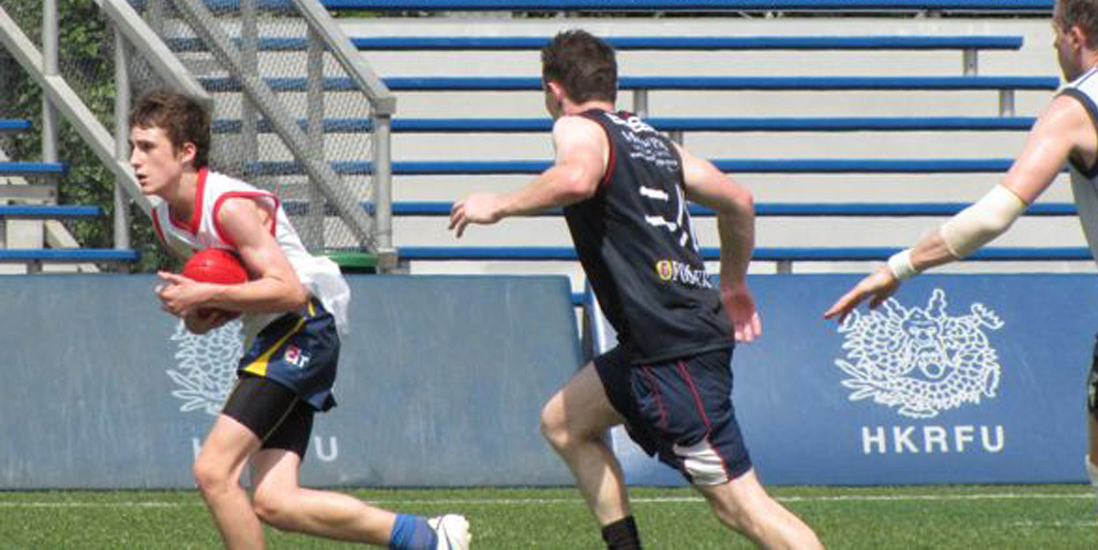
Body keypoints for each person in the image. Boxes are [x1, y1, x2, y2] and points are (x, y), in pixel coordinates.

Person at [825, 0, 1098, 550]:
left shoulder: (1075, 107)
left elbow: (992, 216)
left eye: (1055, 33)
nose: (1054, 46)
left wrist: (899, 267)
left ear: (1075, 35)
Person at [449, 30, 823, 550]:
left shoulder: (576, 127)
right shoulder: (653, 141)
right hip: (664, 340)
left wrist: (500, 204)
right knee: (564, 423)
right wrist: (733, 283)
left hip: (672, 350)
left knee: (741, 506)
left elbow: (577, 179)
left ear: (554, 90)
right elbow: (739, 200)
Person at [132, 91, 470, 550]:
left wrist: (207, 294)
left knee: (213, 472)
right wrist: (199, 313)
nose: (135, 159)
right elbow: (231, 297)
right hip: (272, 332)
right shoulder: (167, 222)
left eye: (147, 147)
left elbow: (290, 290)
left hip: (302, 324)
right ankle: (426, 536)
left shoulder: (227, 205)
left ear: (186, 152)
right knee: (276, 503)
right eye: (133, 146)